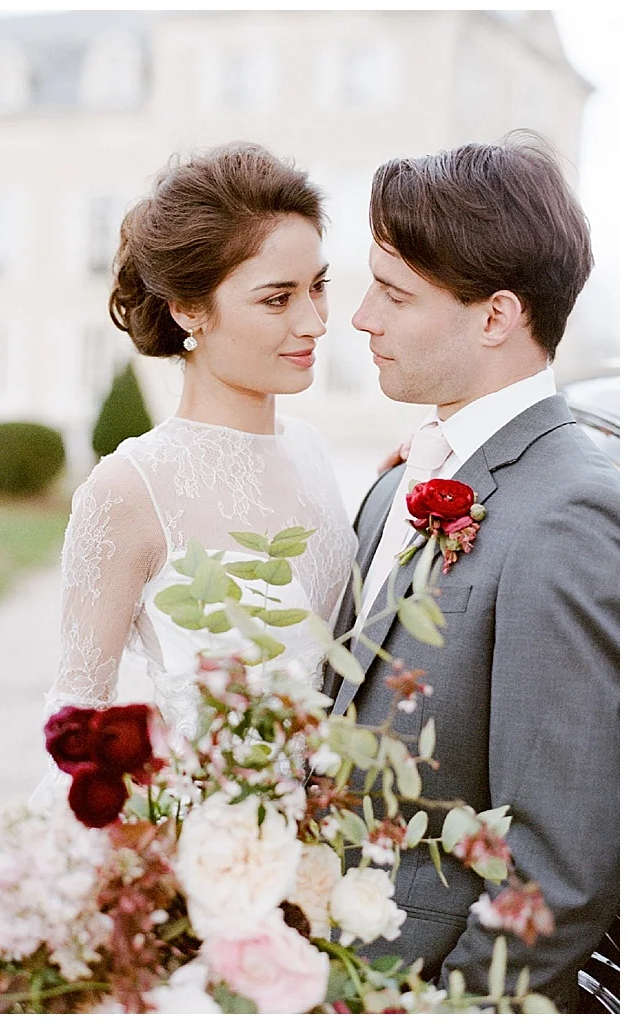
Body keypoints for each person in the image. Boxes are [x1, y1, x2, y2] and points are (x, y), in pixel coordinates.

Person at [325, 132, 618, 1010]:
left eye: (393, 293)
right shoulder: (391, 490)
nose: (360, 318)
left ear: (495, 316)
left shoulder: (572, 513)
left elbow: (561, 865)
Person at [46, 142, 356, 742]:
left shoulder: (314, 453)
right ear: (190, 308)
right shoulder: (129, 489)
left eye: (317, 286)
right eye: (277, 298)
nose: (314, 321)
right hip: (208, 825)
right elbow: (76, 725)